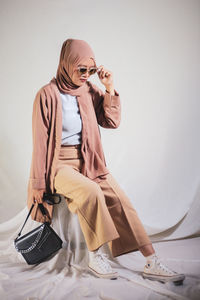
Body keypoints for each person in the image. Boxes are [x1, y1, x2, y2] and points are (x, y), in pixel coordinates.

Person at [27, 38, 185, 283]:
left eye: (91, 70)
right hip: (58, 165)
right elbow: (39, 144)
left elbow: (111, 121)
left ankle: (151, 261)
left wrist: (109, 87)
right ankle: (95, 255)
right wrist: (38, 185)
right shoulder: (46, 95)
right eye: (82, 69)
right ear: (67, 64)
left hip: (90, 160)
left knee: (121, 201)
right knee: (91, 192)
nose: (86, 75)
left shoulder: (89, 90)